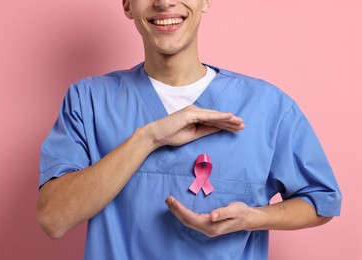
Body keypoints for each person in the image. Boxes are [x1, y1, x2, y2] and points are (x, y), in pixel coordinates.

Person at [37, 0, 342, 259]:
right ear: (127, 4)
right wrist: (149, 137)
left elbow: (322, 201)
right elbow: (53, 219)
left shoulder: (266, 107)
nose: (163, 1)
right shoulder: (89, 101)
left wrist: (253, 218)